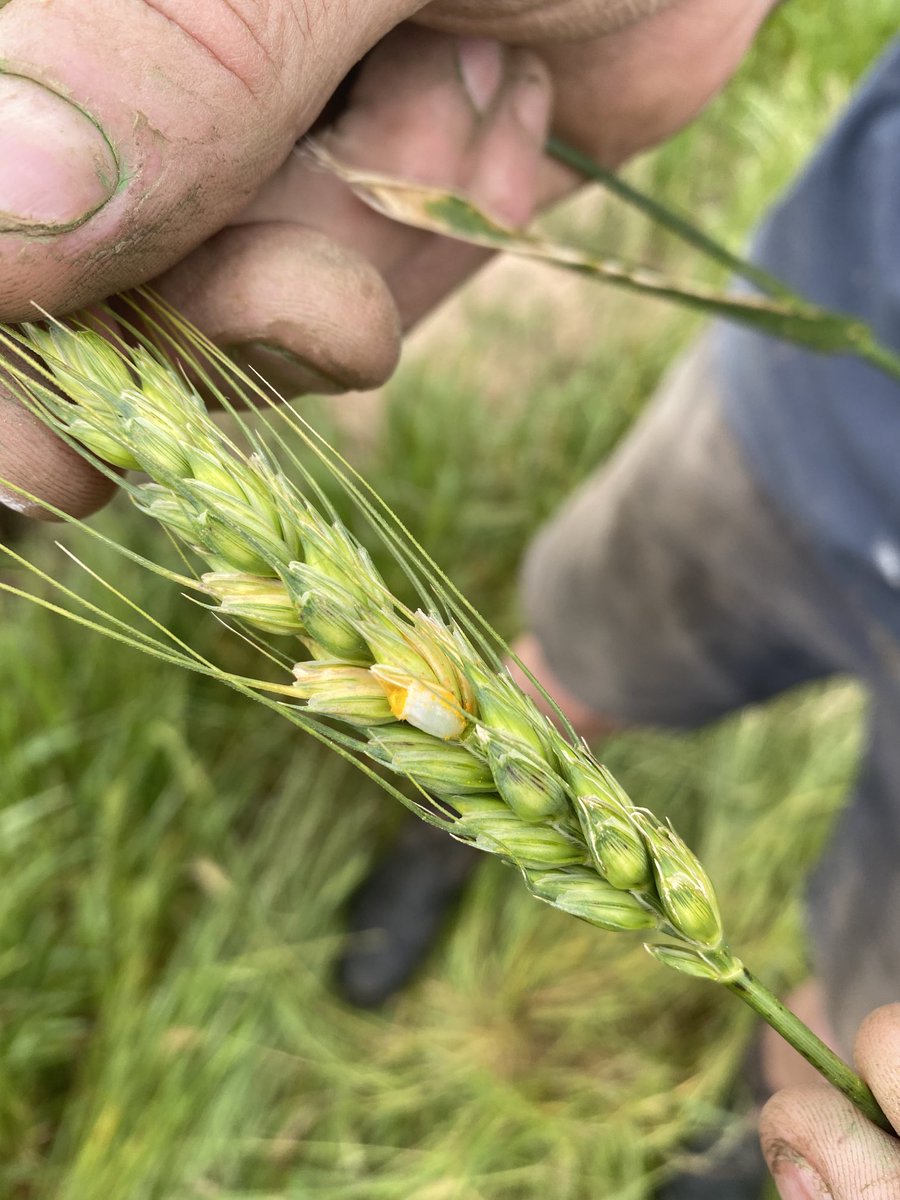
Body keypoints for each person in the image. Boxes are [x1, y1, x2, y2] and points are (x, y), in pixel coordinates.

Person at [1, 2, 896, 1197]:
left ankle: (781, 1117)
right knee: (592, 629)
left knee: (879, 967)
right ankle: (461, 808)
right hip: (817, 402)